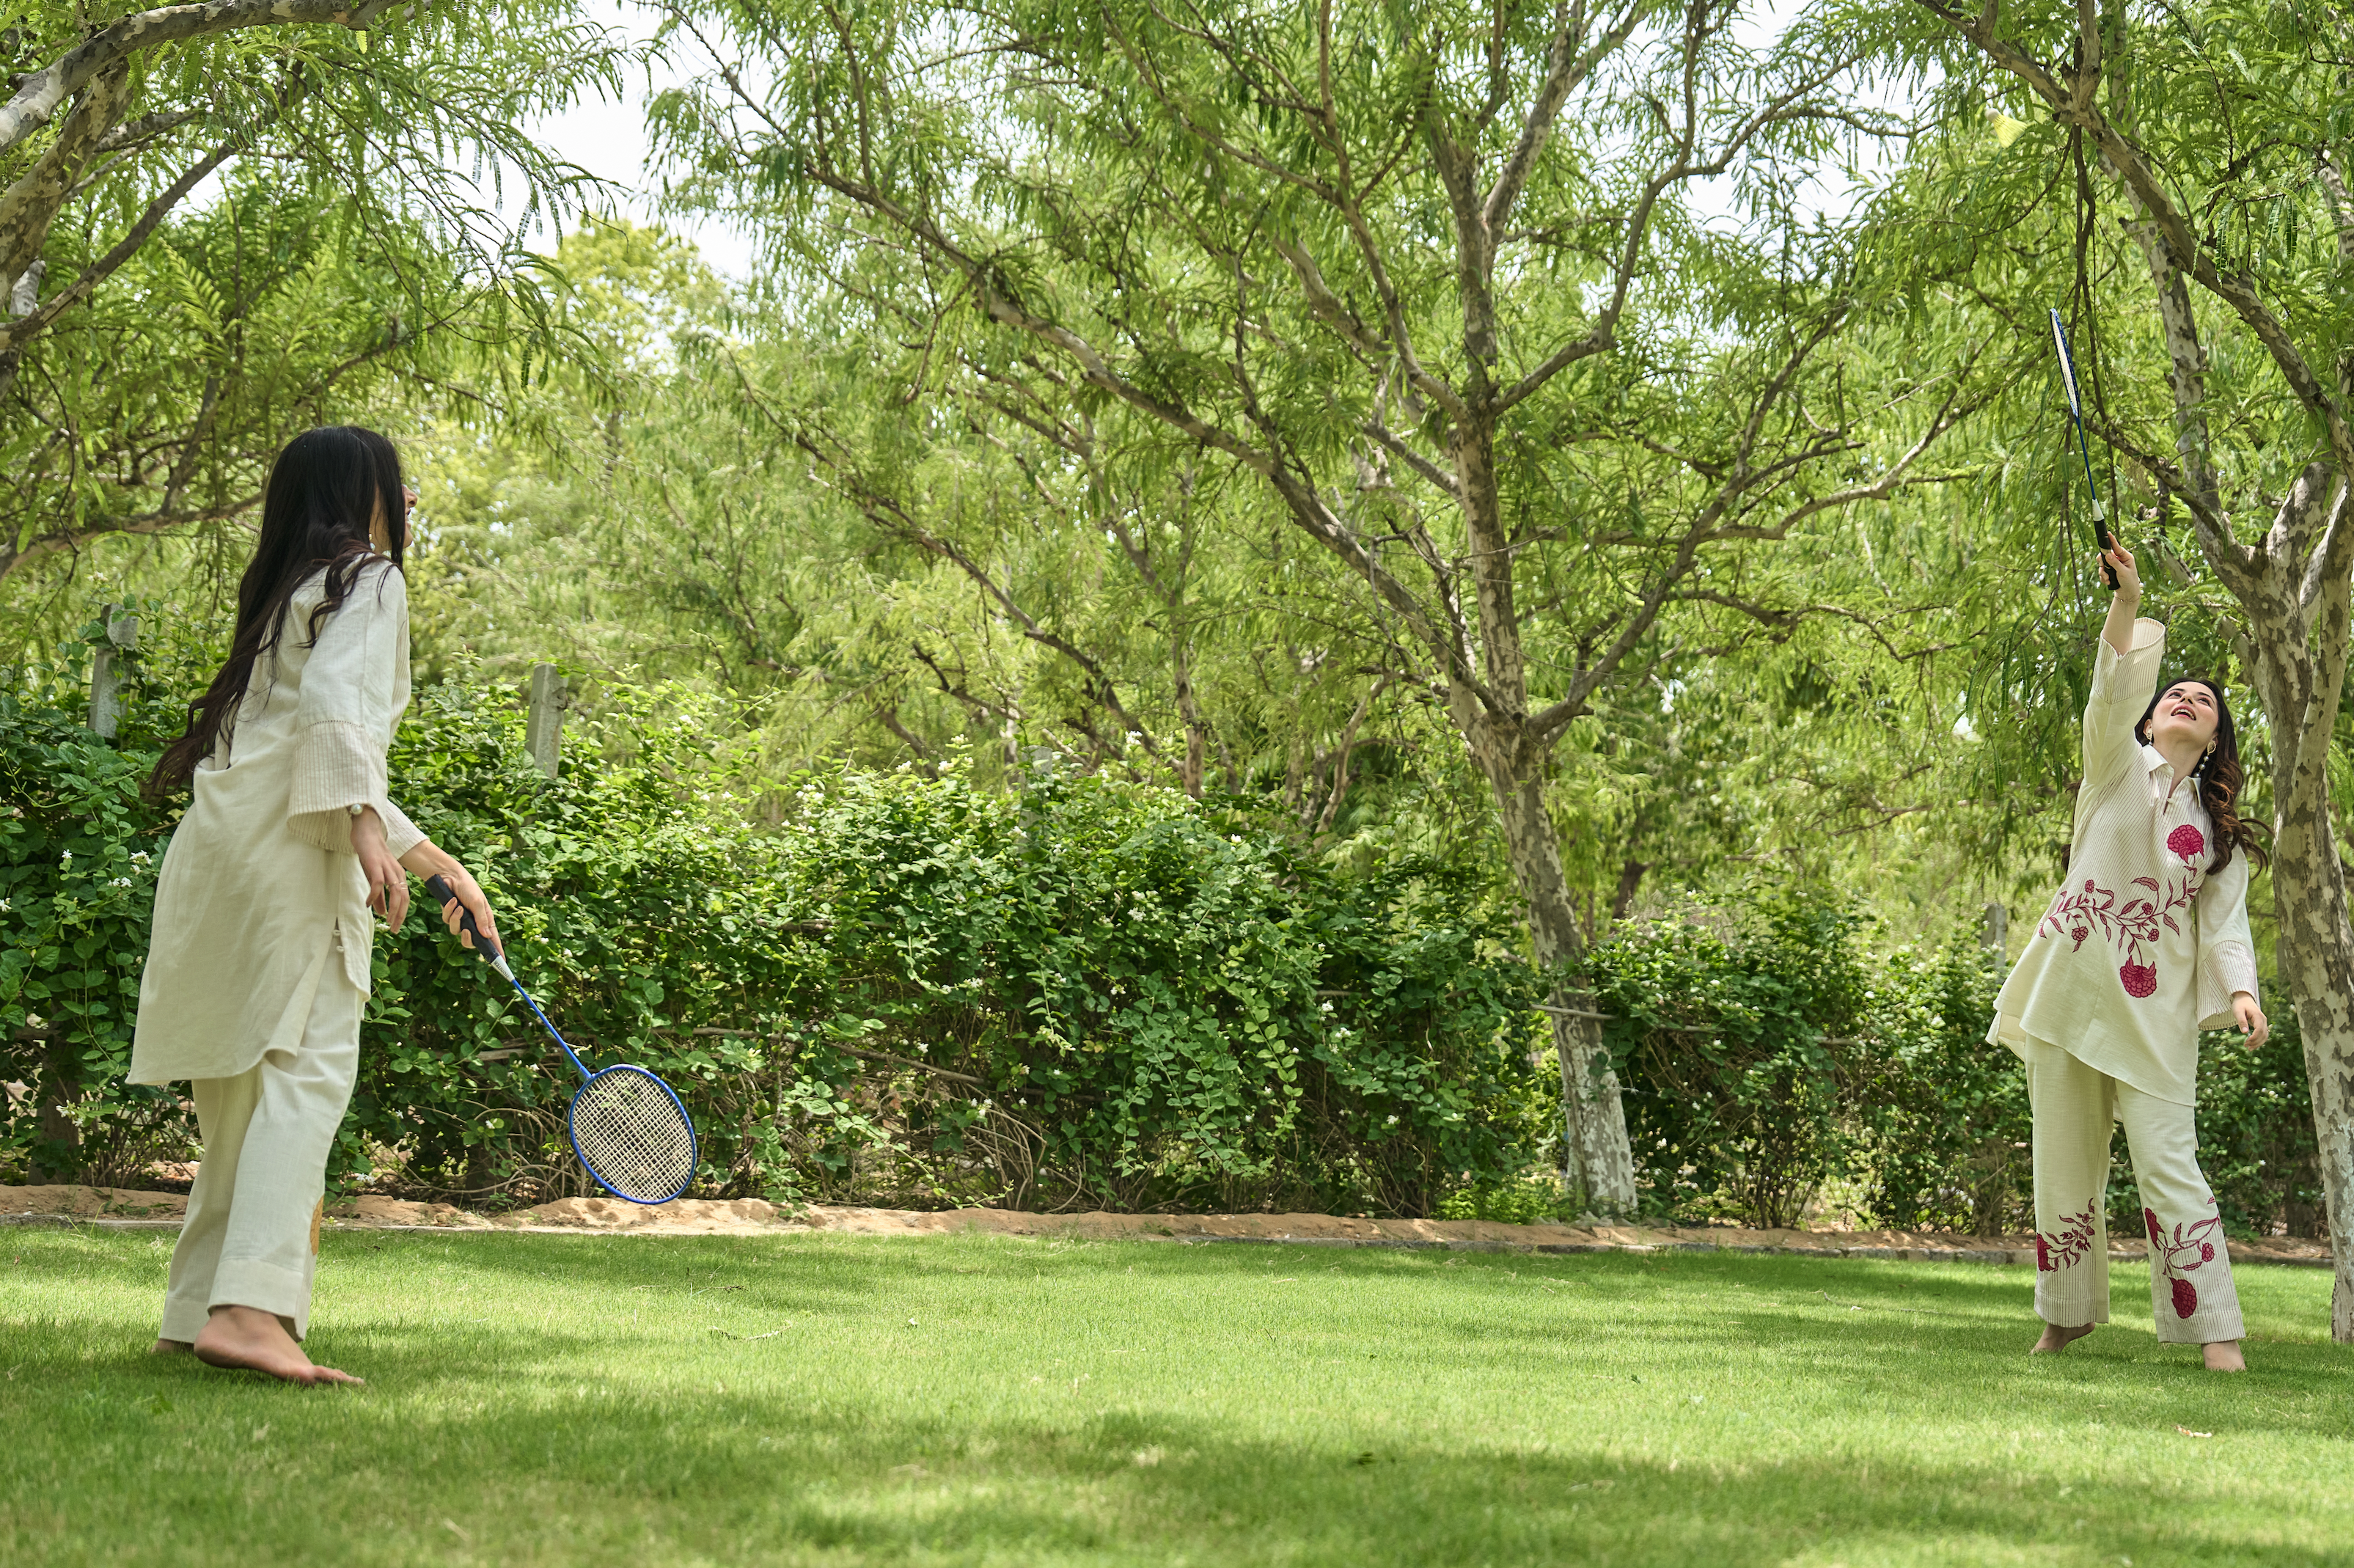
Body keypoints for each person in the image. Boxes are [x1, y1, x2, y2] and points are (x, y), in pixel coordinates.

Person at [131, 426, 499, 1386]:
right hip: (294, 855)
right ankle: (252, 1311)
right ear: (357, 489)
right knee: (310, 1069)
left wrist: (429, 860)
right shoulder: (367, 578)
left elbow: (302, 736)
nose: (409, 496)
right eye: (395, 478)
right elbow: (338, 719)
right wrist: (370, 840)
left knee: (245, 1087)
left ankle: (197, 1307)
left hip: (222, 855)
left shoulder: (285, 597)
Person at [1989, 539, 2268, 1371]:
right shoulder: (2113, 767)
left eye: (2203, 701)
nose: (2185, 699)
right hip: (2073, 989)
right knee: (2063, 1163)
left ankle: (2214, 1330)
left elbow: (2224, 928)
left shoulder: (2219, 838)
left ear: (2215, 739)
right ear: (2151, 719)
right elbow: (2110, 693)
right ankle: (2065, 1317)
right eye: (2174, 693)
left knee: (2168, 1164)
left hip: (2153, 1017)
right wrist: (2127, 598)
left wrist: (2243, 993)